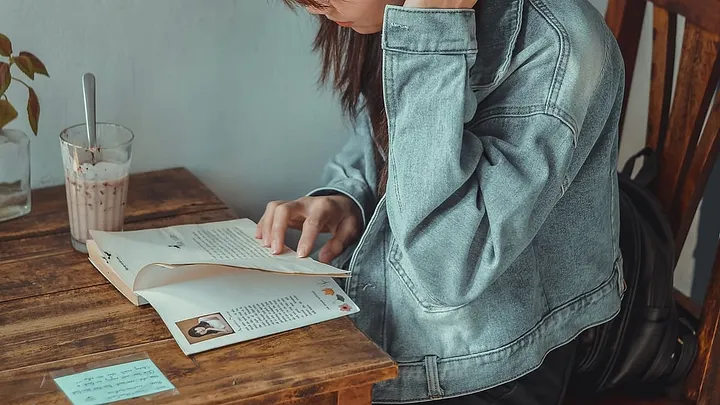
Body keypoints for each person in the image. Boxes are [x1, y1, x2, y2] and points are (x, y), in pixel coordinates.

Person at [257, 0, 626, 403]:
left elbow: (451, 268)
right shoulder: (393, 10)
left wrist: (431, 29)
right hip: (383, 324)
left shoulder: (557, 44)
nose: (315, 6)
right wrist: (347, 197)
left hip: (487, 367)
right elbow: (385, 136)